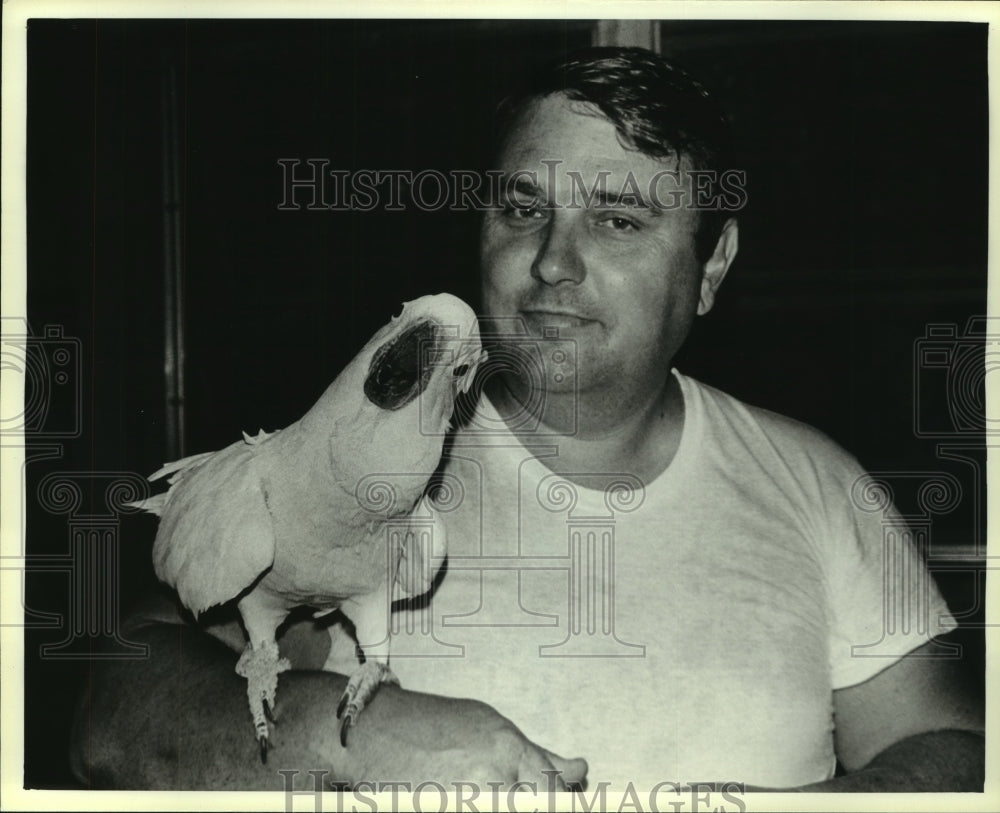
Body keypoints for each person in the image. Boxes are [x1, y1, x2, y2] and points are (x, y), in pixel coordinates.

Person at [69, 46, 983, 793]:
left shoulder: (819, 482)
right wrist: (346, 733)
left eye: (619, 220)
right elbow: (113, 716)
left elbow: (958, 749)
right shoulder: (341, 460)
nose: (552, 261)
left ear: (712, 267)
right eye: (521, 208)